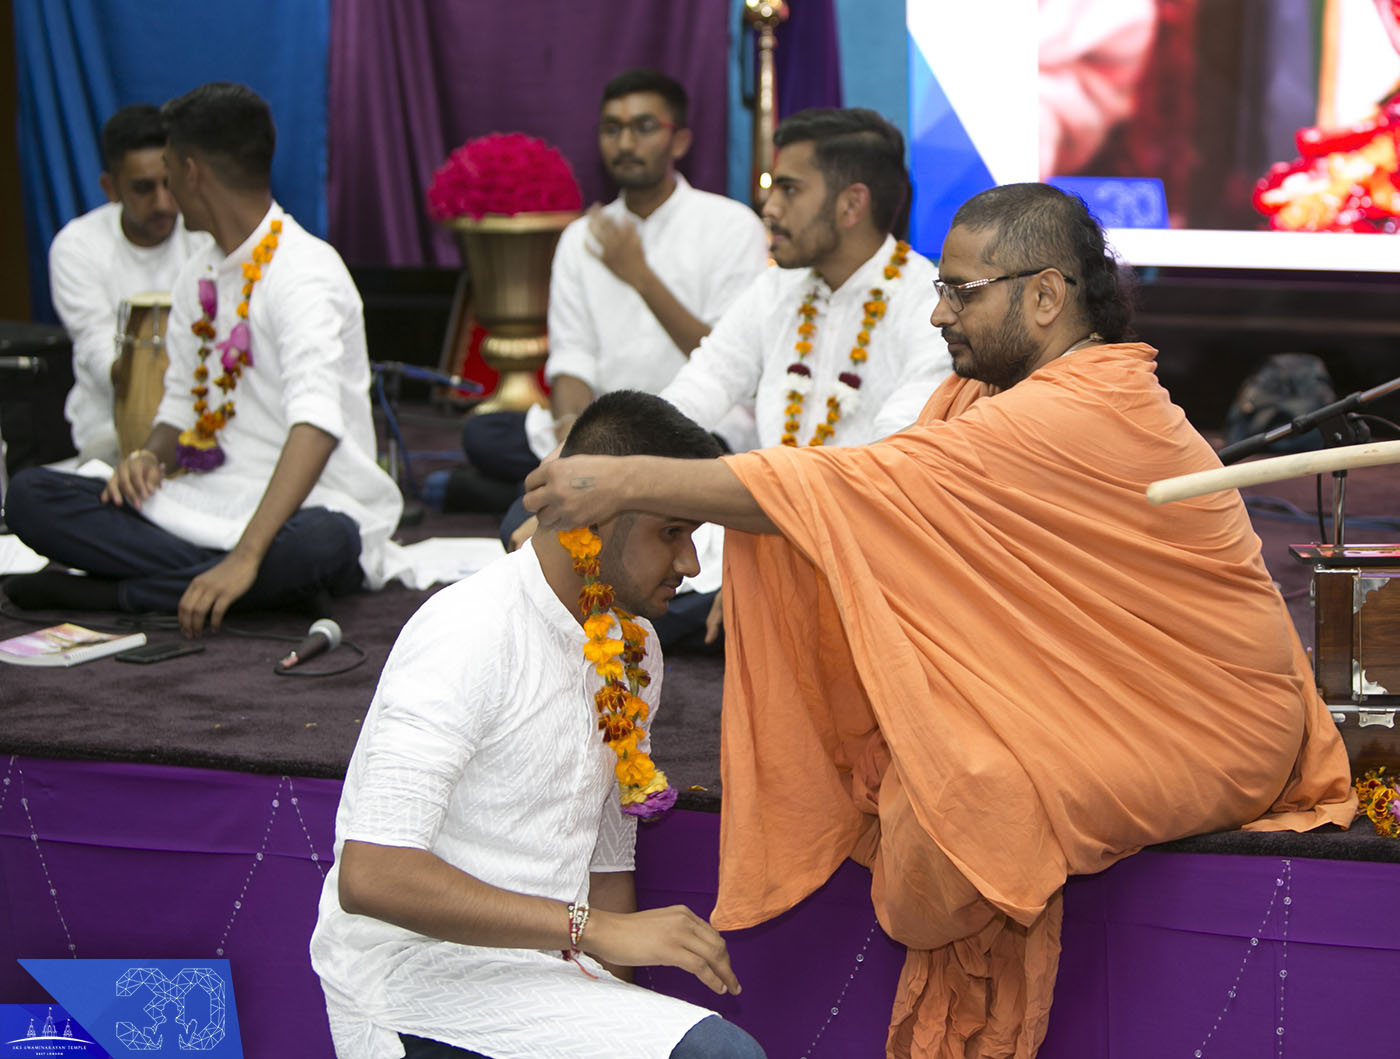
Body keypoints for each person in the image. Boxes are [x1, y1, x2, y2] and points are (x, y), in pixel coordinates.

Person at [522, 184, 1355, 1056]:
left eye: (962, 292)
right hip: (1103, 685)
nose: (938, 315)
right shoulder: (989, 399)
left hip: (1214, 720)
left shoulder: (1078, 408)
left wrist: (627, 480)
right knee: (935, 771)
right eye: (941, 289)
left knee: (962, 800)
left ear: (1044, 295)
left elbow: (847, 490)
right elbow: (879, 503)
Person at [310, 391, 766, 1059]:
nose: (693, 565)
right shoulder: (466, 630)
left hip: (549, 977)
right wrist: (595, 929)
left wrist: (615, 995)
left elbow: (607, 859)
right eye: (673, 532)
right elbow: (373, 874)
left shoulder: (636, 646)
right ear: (596, 516)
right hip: (414, 982)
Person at [3, 83, 403, 637]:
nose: (165, 192)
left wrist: (246, 555)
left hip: (307, 508)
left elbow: (316, 426)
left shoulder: (305, 272)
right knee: (30, 496)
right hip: (207, 499)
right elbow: (179, 409)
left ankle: (111, 592)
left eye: (168, 171)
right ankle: (224, 585)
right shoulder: (200, 273)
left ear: (191, 173)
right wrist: (149, 454)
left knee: (325, 544)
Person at [441, 67, 768, 514]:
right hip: (601, 434)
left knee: (709, 458)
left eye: (644, 127)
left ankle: (500, 495)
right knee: (485, 434)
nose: (626, 144)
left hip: (697, 428)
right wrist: (571, 434)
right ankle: (616, 493)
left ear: (680, 141)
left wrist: (640, 276)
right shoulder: (582, 237)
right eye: (612, 129)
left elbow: (729, 360)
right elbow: (572, 359)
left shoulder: (732, 227)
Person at [656, 106, 950, 451]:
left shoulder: (929, 308)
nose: (769, 208)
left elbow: (896, 450)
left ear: (852, 205)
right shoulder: (776, 287)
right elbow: (705, 382)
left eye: (789, 190)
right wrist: (635, 453)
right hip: (769, 496)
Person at [49, 104, 211, 465]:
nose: (163, 203)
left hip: (208, 421)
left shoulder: (204, 234)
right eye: (143, 188)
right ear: (111, 188)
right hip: (111, 432)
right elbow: (98, 349)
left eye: (169, 184)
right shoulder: (77, 246)